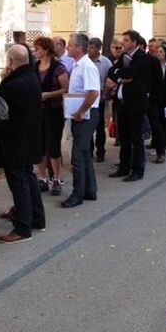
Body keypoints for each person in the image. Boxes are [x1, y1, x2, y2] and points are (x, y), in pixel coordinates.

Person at [0, 44, 45, 243]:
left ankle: (22, 228)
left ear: (10, 62)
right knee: (28, 178)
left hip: (15, 141)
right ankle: (37, 219)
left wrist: (4, 78)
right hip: (28, 138)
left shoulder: (14, 83)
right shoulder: (31, 77)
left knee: (19, 182)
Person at [61, 33, 101, 207]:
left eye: (70, 45)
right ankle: (90, 190)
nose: (67, 48)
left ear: (79, 48)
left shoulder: (87, 66)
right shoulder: (77, 65)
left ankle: (77, 194)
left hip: (86, 115)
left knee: (77, 156)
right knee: (83, 154)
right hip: (79, 114)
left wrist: (81, 111)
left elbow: (93, 92)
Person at [109, 30, 152, 182]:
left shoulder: (143, 58)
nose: (123, 43)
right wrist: (121, 77)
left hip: (136, 104)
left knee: (136, 138)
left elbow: (130, 73)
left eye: (126, 40)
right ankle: (124, 167)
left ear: (134, 42)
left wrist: (121, 76)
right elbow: (112, 72)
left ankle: (138, 169)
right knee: (124, 137)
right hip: (122, 103)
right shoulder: (124, 57)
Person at [33, 36, 69, 195]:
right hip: (38, 112)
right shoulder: (34, 67)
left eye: (38, 48)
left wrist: (49, 95)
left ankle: (57, 179)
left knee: (53, 146)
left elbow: (66, 89)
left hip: (53, 112)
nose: (36, 51)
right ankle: (42, 178)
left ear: (46, 50)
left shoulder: (58, 67)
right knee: (39, 147)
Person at [88, 37, 112, 162]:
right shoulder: (85, 61)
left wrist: (106, 94)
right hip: (87, 98)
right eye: (88, 47)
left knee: (99, 126)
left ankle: (101, 151)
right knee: (88, 126)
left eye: (92, 47)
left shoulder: (106, 63)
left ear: (98, 48)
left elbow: (110, 79)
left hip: (100, 98)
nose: (89, 50)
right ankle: (89, 151)